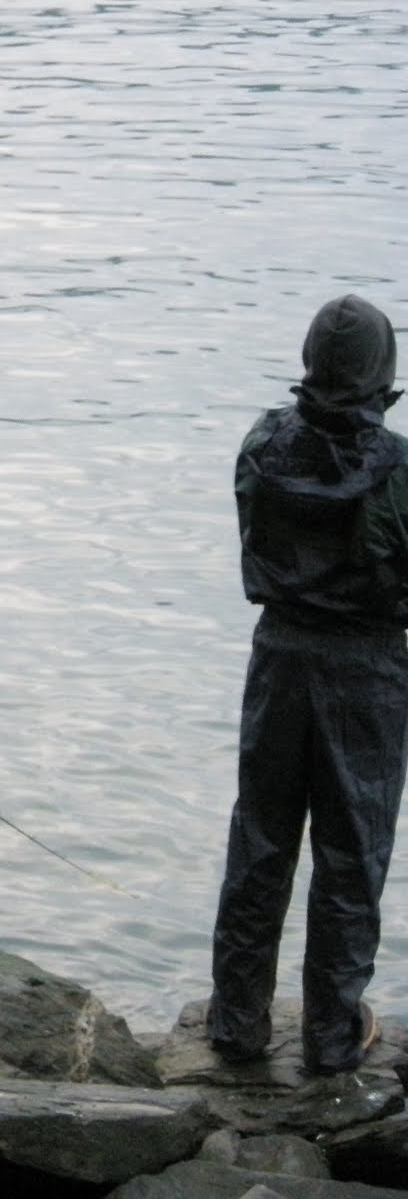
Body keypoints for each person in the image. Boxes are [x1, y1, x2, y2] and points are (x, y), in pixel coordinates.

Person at [208, 295, 406, 1075]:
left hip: (280, 657)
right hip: (369, 670)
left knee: (260, 842)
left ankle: (237, 1023)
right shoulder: (399, 468)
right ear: (381, 372)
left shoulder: (262, 444)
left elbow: (253, 536)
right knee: (352, 853)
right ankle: (331, 1034)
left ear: (311, 361)